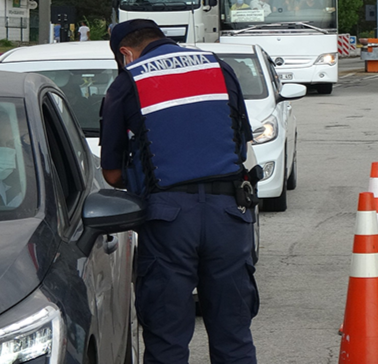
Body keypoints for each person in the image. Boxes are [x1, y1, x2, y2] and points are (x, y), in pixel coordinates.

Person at [100, 19, 259, 364]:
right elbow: (242, 147)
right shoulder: (219, 68)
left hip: (168, 220)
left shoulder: (128, 81)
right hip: (229, 215)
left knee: (167, 338)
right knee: (234, 335)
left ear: (124, 53)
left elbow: (111, 174)